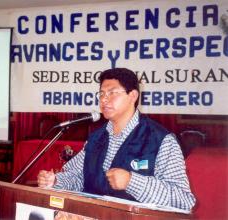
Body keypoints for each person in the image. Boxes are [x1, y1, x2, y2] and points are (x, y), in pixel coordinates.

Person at [37, 68, 196, 211]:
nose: (104, 100)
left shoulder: (161, 140)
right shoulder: (95, 138)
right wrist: (56, 181)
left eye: (112, 93)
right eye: (101, 94)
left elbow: (183, 200)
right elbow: (79, 178)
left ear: (133, 96)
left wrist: (131, 182)